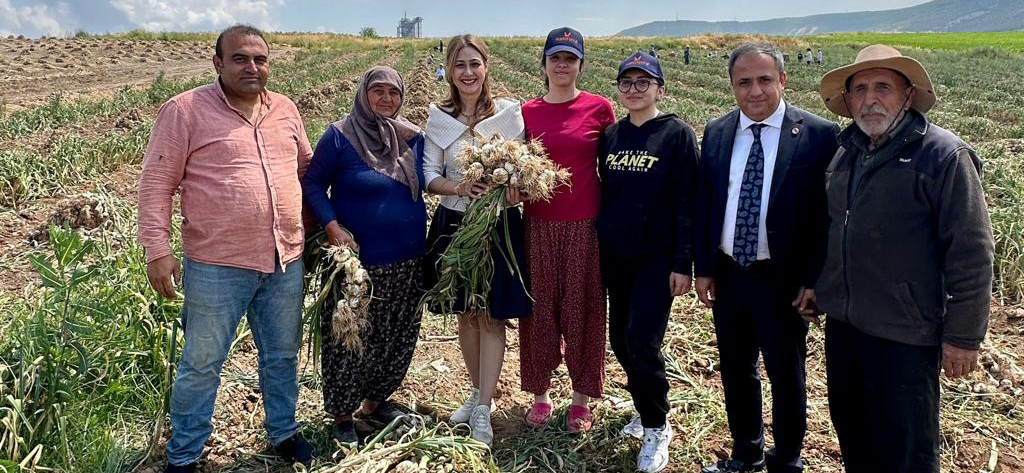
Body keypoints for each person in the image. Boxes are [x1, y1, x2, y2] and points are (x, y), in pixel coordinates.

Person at [138, 24, 314, 473]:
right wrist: (157, 250)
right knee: (201, 363)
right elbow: (157, 183)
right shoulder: (184, 111)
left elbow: (305, 171)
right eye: (240, 59)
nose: (252, 67)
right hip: (216, 264)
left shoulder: (286, 110)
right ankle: (185, 455)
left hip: (284, 259)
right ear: (218, 63)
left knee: (281, 354)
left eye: (260, 59)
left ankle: (283, 432)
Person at [814, 44, 994, 473]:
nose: (870, 99)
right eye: (860, 89)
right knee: (853, 432)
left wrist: (964, 337)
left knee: (906, 447)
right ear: (848, 99)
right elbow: (835, 230)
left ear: (908, 95)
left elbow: (972, 252)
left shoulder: (943, 156)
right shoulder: (846, 153)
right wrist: (821, 290)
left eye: (883, 87)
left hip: (906, 334)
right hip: (846, 326)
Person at [693, 42, 839, 473]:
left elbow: (825, 218)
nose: (754, 91)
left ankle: (788, 457)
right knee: (736, 368)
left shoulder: (817, 134)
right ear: (732, 85)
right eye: (744, 82)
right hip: (731, 272)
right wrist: (705, 268)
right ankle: (746, 453)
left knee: (785, 370)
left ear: (782, 80)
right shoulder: (718, 131)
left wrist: (815, 280)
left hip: (784, 278)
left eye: (764, 80)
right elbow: (707, 204)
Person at [302, 65, 427, 446]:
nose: (387, 99)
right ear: (363, 93)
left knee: (396, 332)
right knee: (348, 337)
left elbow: (430, 179)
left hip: (407, 258)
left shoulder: (412, 138)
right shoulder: (339, 137)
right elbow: (311, 183)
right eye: (379, 91)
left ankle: (377, 401)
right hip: (356, 262)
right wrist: (331, 226)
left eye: (394, 92)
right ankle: (342, 415)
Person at [422, 34, 531, 446]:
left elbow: (521, 167)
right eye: (459, 65)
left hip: (499, 226)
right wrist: (457, 187)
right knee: (466, 314)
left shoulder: (507, 114)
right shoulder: (439, 116)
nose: (467, 72)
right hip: (454, 225)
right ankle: (476, 392)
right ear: (449, 71)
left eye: (474, 64)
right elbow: (427, 173)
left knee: (491, 315)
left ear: (486, 67)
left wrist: (513, 187)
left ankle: (484, 408)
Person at [598, 52, 699, 473]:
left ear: (660, 88)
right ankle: (645, 406)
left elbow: (688, 200)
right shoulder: (612, 135)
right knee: (621, 341)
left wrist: (683, 263)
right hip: (616, 257)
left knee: (642, 340)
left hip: (656, 260)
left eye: (644, 82)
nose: (634, 89)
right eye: (627, 82)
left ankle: (658, 426)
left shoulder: (676, 134)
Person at [519, 26, 615, 432]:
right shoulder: (526, 112)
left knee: (584, 312)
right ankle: (541, 394)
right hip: (538, 225)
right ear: (543, 64)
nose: (562, 64)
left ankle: (580, 398)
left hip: (584, 227)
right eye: (555, 57)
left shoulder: (599, 109)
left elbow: (612, 167)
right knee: (539, 313)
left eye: (570, 58)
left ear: (581, 65)